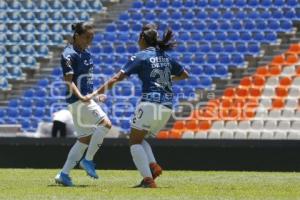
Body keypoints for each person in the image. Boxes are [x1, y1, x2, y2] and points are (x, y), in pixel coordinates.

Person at [94, 23, 189, 188]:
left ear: (143, 39)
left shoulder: (141, 56)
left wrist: (97, 92)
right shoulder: (166, 57)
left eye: (139, 37)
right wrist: (166, 80)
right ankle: (153, 166)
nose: (137, 40)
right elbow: (184, 74)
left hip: (150, 102)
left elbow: (117, 77)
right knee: (140, 138)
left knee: (134, 142)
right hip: (167, 105)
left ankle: (148, 180)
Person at [55, 22, 112, 187]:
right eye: (87, 37)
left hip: (82, 100)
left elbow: (85, 81)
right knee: (106, 124)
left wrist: (94, 97)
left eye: (92, 38)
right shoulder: (68, 54)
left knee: (83, 139)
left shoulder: (86, 53)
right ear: (77, 36)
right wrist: (82, 97)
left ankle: (63, 174)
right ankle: (88, 160)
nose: (90, 41)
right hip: (77, 100)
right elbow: (68, 81)